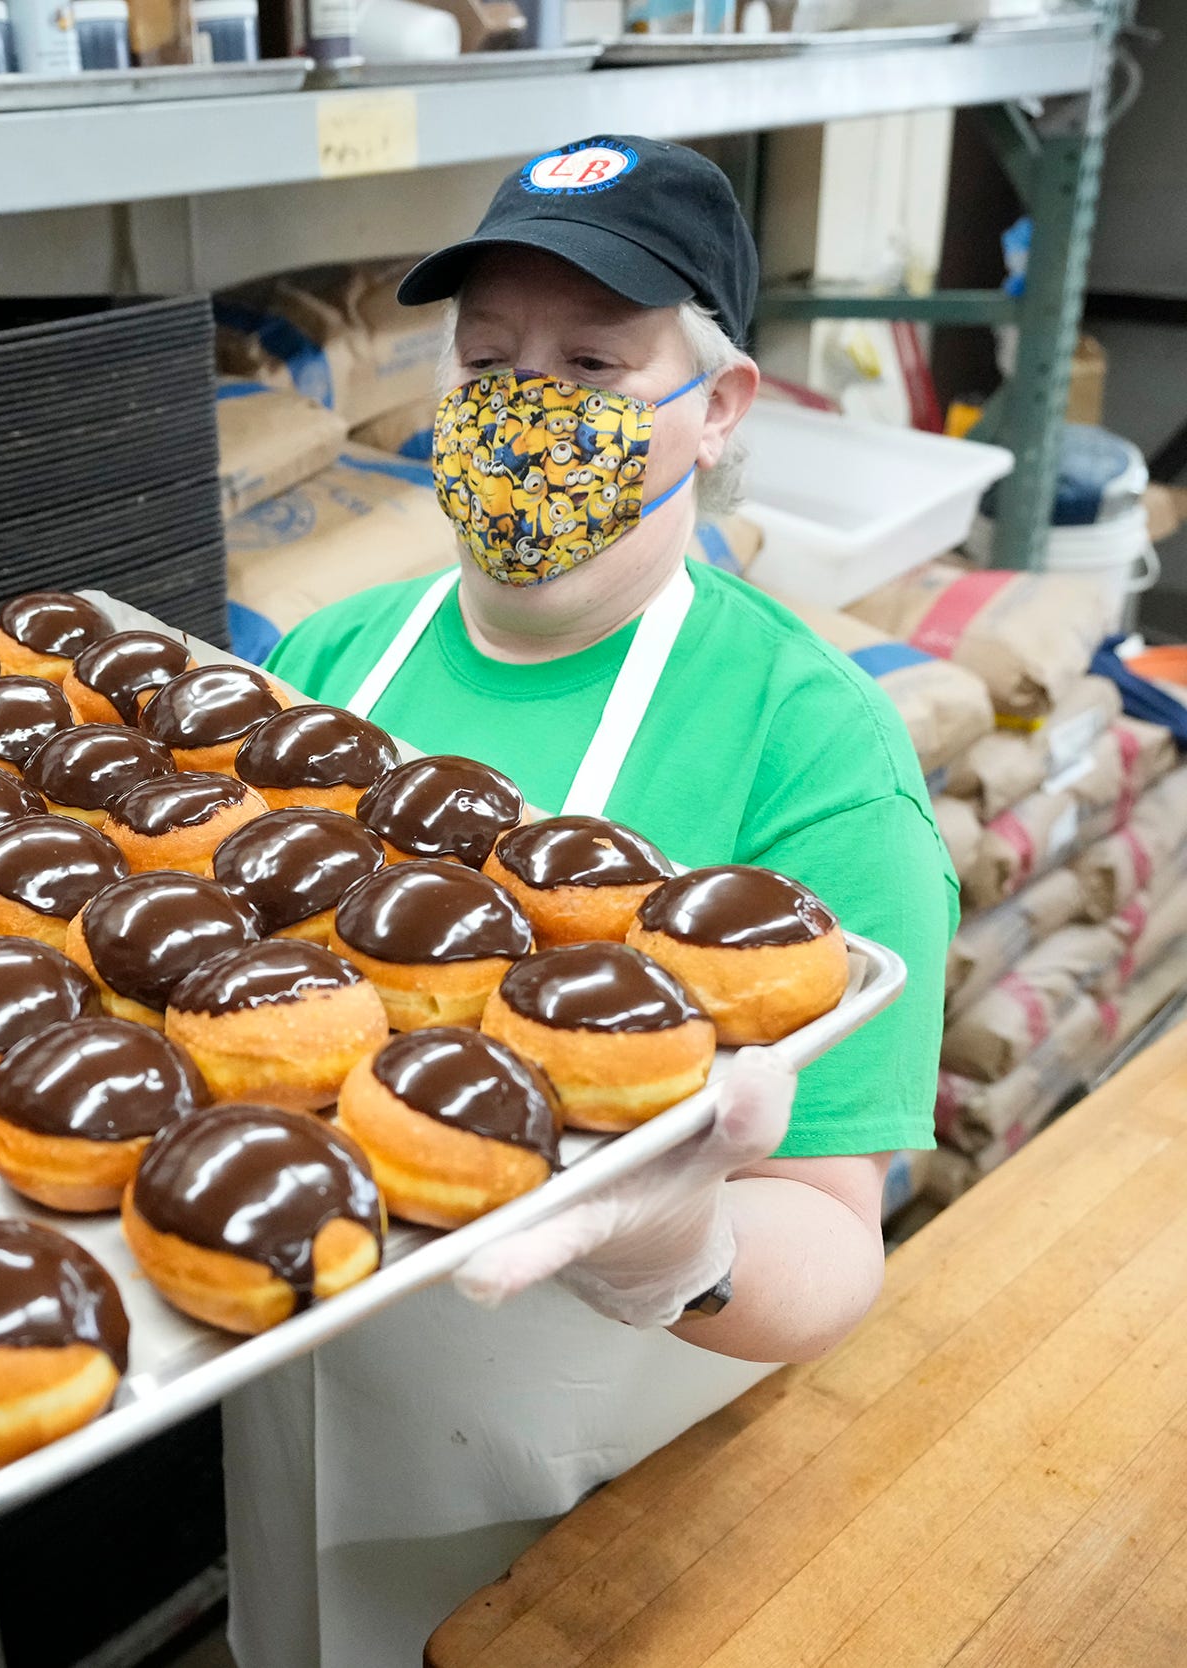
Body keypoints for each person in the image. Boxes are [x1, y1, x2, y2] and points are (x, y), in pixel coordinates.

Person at [225, 135, 956, 1666]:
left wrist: (677, 1248)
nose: (523, 407)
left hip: (590, 1485)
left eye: (595, 364)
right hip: (297, 1399)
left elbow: (836, 1238)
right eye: (488, 360)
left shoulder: (809, 744)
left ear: (723, 408)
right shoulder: (327, 664)